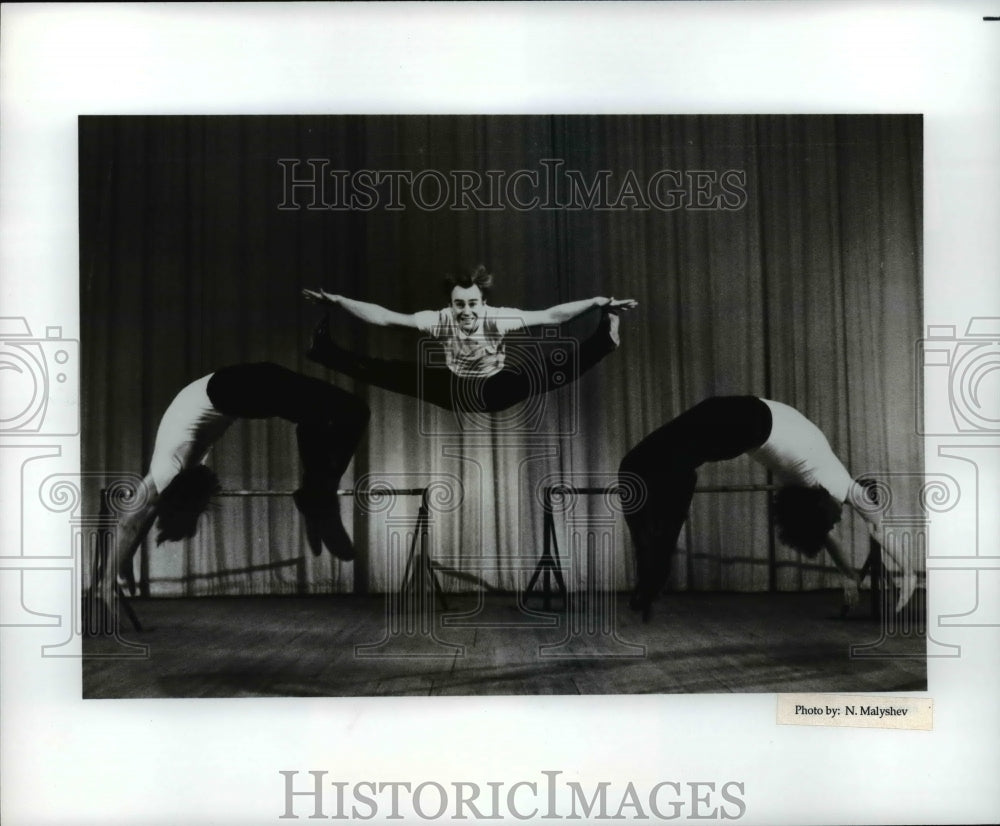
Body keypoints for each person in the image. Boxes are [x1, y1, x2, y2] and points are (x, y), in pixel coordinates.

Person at [91, 362, 370, 629]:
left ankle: (316, 497)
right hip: (232, 386)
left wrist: (108, 579)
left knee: (330, 415)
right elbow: (139, 519)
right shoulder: (170, 474)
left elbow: (135, 520)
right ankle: (318, 496)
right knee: (346, 412)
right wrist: (120, 562)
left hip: (229, 388)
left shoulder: (171, 467)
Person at [618, 395, 917, 621]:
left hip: (740, 412)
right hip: (742, 424)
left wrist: (850, 574)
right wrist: (905, 573)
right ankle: (653, 572)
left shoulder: (827, 482)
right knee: (671, 472)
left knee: (649, 464)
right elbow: (867, 529)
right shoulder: (824, 487)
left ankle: (652, 572)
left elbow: (852, 530)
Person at [302, 264, 637, 414]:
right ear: (450, 303)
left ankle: (604, 340)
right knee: (390, 371)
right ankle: (325, 351)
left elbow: (552, 315)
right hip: (455, 389)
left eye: (473, 304)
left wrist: (596, 303)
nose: (466, 311)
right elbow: (387, 318)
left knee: (550, 370)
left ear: (483, 302)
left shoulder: (498, 317)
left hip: (496, 388)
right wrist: (340, 302)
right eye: (459, 304)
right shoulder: (441, 319)